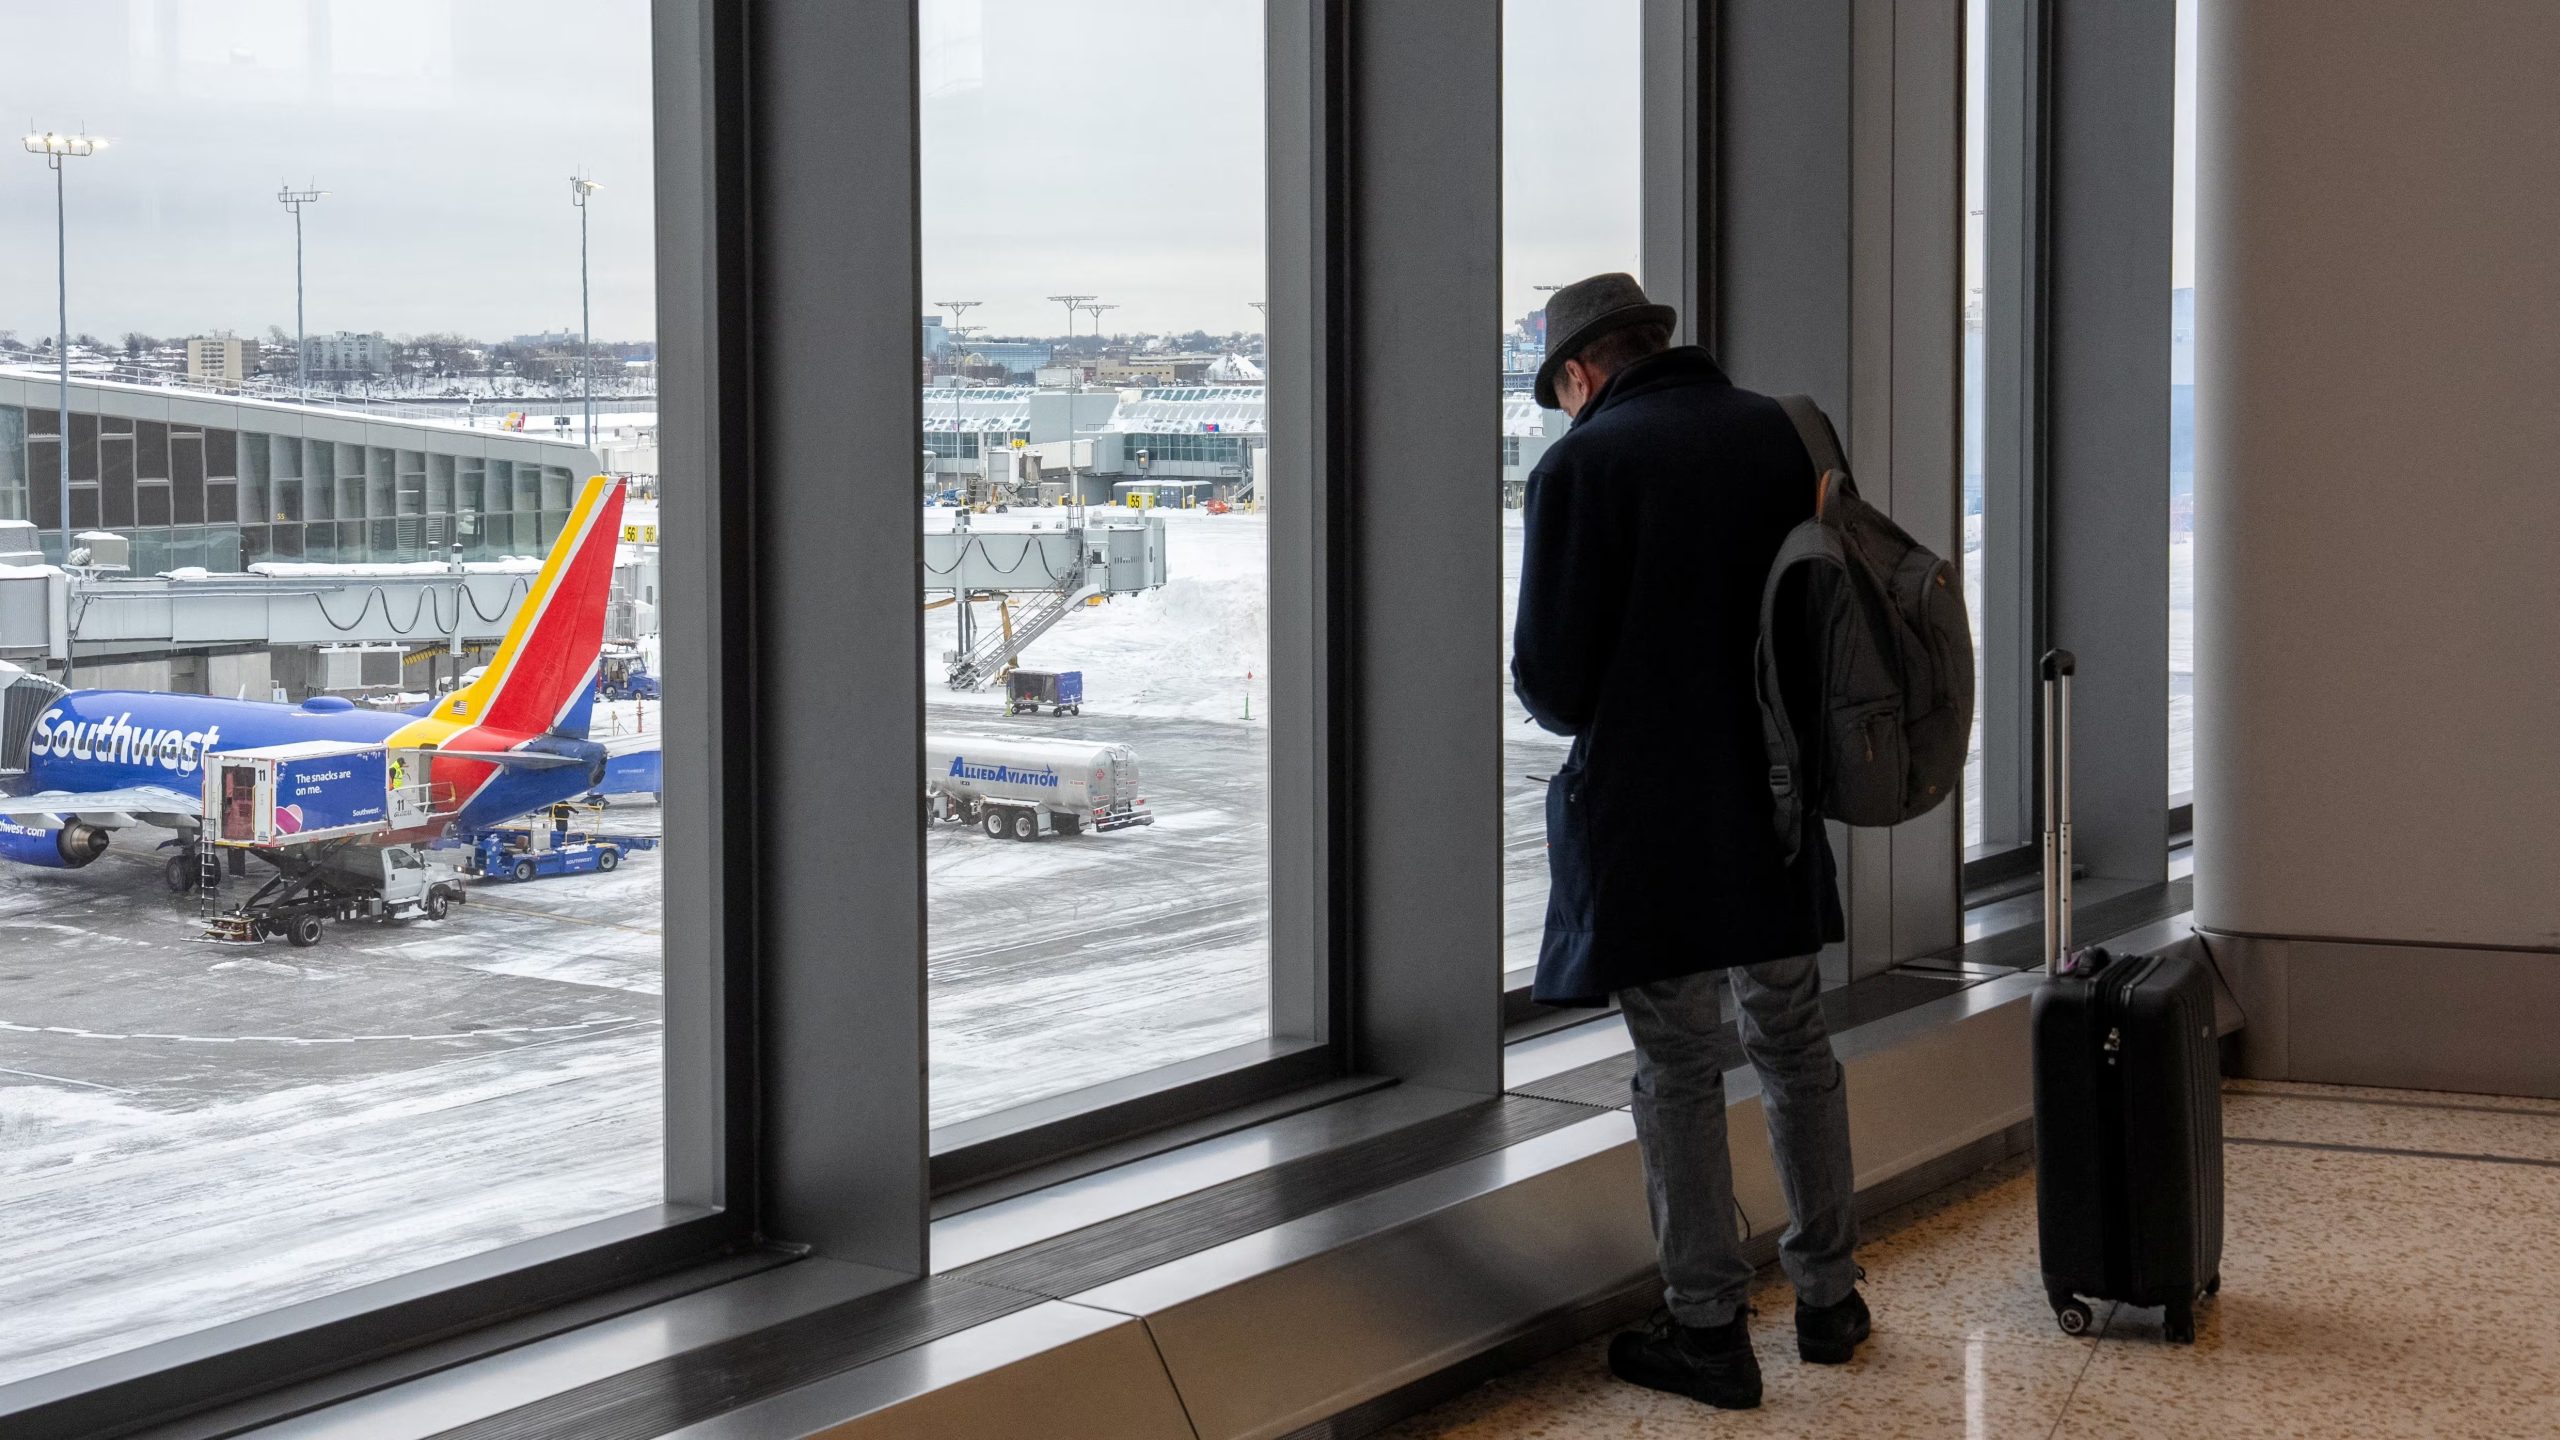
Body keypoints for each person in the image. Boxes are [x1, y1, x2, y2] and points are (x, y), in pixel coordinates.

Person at [1512, 273, 1866, 1411]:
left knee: (1677, 1064)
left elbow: (1556, 688)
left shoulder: (1583, 465)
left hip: (1653, 818)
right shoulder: (1779, 430)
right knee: (1793, 1037)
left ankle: (1708, 1330)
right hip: (1774, 796)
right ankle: (1830, 1299)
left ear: (1580, 373)